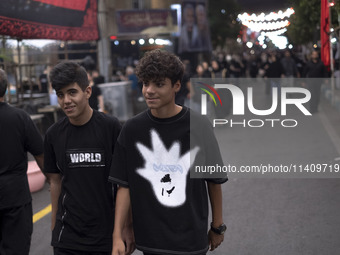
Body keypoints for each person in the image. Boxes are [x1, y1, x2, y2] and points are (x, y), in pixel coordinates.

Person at [110, 50, 227, 255]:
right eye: (146, 83)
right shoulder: (131, 129)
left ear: (177, 86)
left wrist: (217, 226)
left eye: (159, 84)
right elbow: (124, 186)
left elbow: (213, 180)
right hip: (150, 240)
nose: (149, 91)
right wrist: (120, 233)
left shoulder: (199, 125)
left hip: (191, 240)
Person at [43, 61, 134, 255]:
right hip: (67, 237)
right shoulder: (53, 134)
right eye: (60, 95)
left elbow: (124, 183)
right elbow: (55, 182)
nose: (66, 100)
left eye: (72, 92)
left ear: (88, 92)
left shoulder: (110, 127)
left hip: (106, 235)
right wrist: (54, 227)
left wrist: (127, 227)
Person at [0, 68, 44, 255]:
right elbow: (41, 154)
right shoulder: (20, 118)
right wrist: (53, 180)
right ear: (5, 88)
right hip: (15, 198)